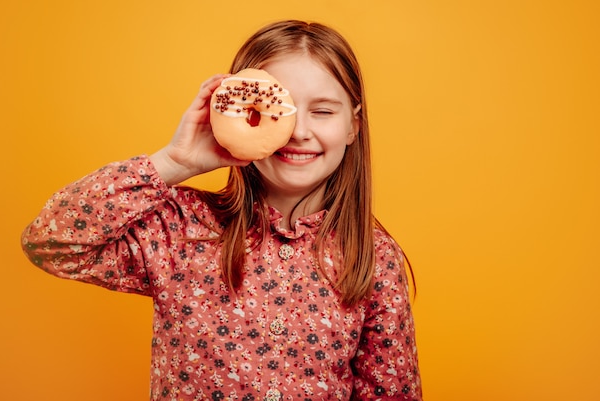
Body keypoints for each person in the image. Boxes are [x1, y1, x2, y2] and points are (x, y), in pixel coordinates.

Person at [21, 20, 422, 401]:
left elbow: (391, 391)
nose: (298, 131)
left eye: (322, 110)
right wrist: (176, 162)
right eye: (278, 110)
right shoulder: (183, 228)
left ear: (353, 125)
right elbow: (52, 243)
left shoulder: (373, 255)